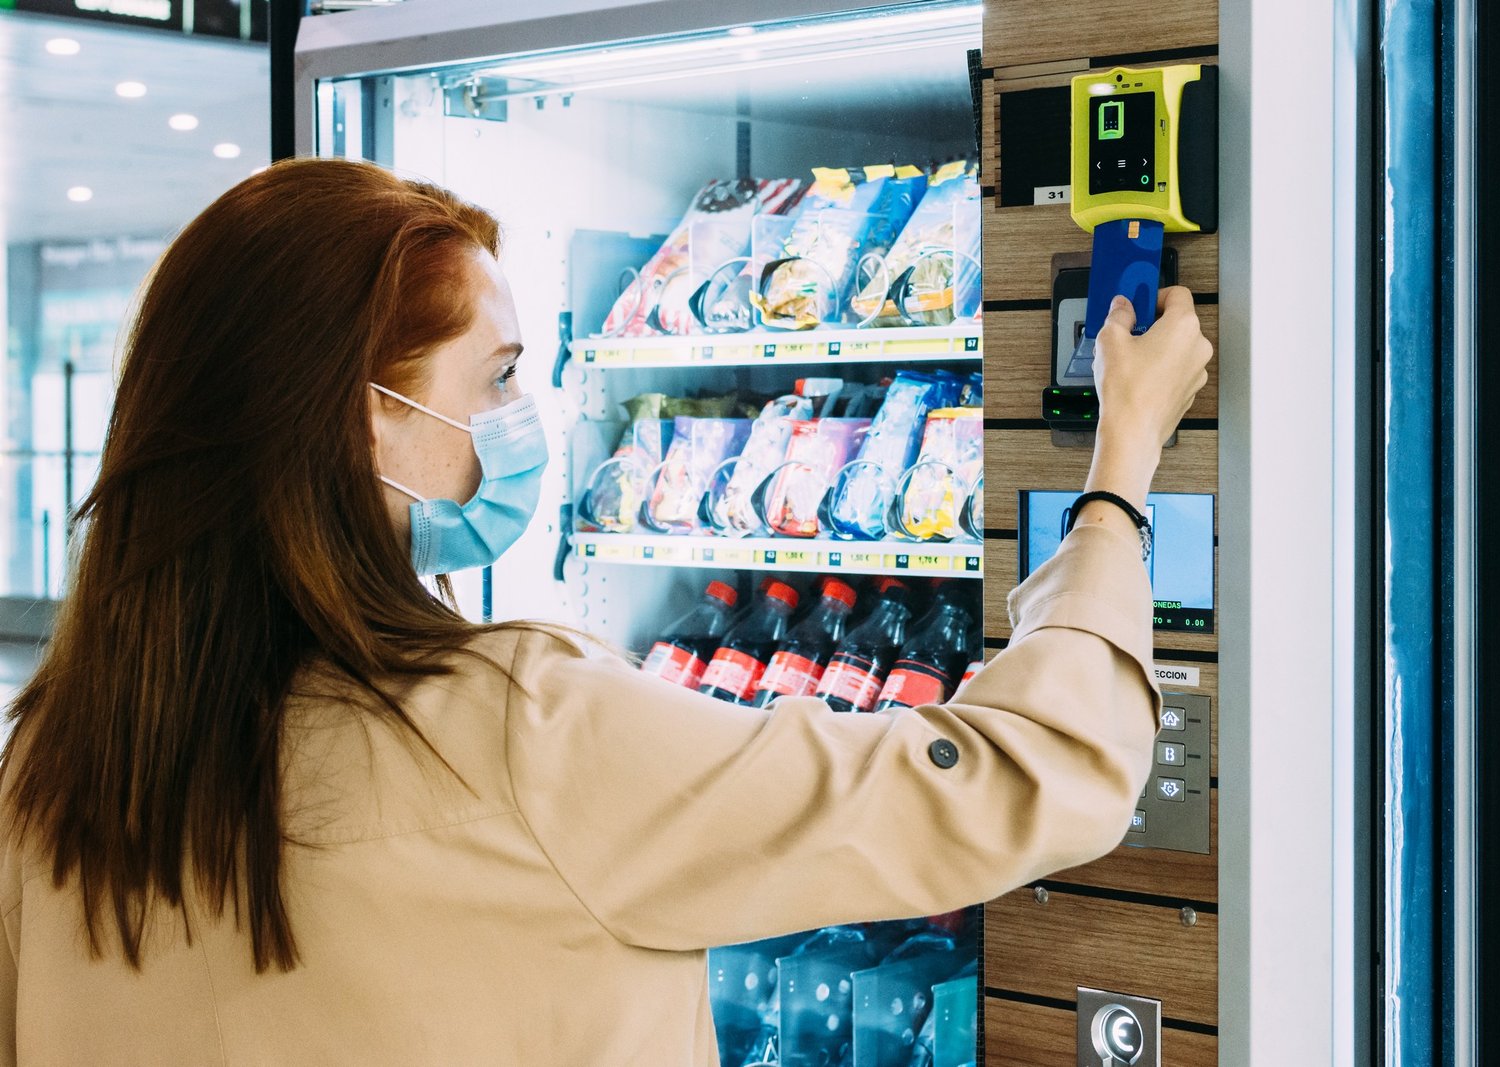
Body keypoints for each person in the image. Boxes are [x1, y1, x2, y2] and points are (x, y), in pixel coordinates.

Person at [0, 158, 1211, 1065]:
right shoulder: (516, 731)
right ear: (363, 414)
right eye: (502, 376)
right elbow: (1028, 775)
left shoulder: (48, 762)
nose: (530, 412)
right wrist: (1119, 475)